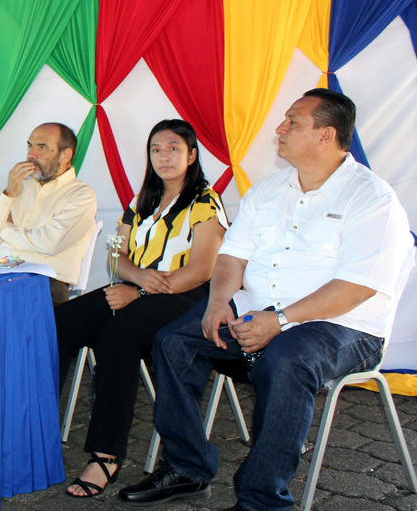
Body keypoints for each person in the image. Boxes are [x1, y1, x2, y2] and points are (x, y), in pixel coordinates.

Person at [118, 89, 413, 511]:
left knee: (287, 359)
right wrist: (219, 302)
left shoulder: (372, 198)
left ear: (326, 135)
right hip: (256, 313)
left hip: (344, 326)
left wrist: (279, 320)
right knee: (174, 341)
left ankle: (261, 499)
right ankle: (187, 468)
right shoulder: (269, 190)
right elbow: (232, 257)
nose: (280, 128)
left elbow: (356, 287)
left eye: (293, 121)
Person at [57, 119, 228, 498]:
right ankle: (36, 429)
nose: (163, 157)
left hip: (187, 298)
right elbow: (116, 256)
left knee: (117, 335)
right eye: (156, 150)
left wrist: (143, 293)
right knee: (61, 322)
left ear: (192, 155)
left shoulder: (205, 201)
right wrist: (135, 281)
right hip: (137, 288)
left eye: (173, 148)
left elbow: (202, 269)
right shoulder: (142, 200)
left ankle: (106, 456)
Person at [0, 122, 97, 306]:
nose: (31, 154)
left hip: (45, 280)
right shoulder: (20, 186)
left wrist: (5, 229)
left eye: (42, 147)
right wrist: (8, 194)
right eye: (30, 146)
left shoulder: (81, 195)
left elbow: (49, 244)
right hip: (0, 272)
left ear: (65, 155)